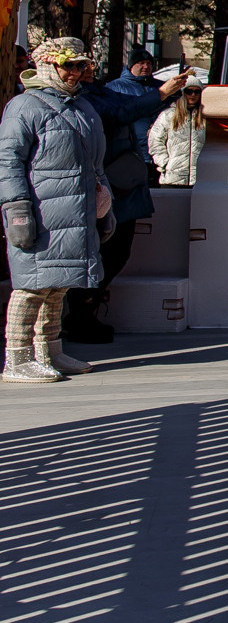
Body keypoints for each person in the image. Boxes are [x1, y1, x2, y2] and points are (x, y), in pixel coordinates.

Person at [0, 38, 109, 383]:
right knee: (31, 285)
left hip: (75, 211)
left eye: (80, 65)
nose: (75, 72)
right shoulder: (24, 106)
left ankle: (50, 350)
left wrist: (105, 207)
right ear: (48, 65)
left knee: (58, 284)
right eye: (68, 65)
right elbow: (8, 162)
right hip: (42, 211)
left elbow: (96, 164)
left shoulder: (83, 108)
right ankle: (17, 359)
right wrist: (17, 210)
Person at [67, 51, 186, 340]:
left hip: (120, 180)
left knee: (118, 251)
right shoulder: (82, 97)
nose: (87, 69)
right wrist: (160, 94)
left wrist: (170, 91)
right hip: (105, 181)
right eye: (78, 66)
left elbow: (130, 106)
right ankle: (81, 316)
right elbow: (123, 112)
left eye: (88, 64)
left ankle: (86, 312)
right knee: (105, 251)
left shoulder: (100, 90)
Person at [147, 77, 207, 187]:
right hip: (172, 178)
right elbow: (154, 142)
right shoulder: (167, 115)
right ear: (182, 93)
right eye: (189, 91)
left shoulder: (206, 118)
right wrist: (165, 163)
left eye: (197, 91)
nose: (193, 95)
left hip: (199, 179)